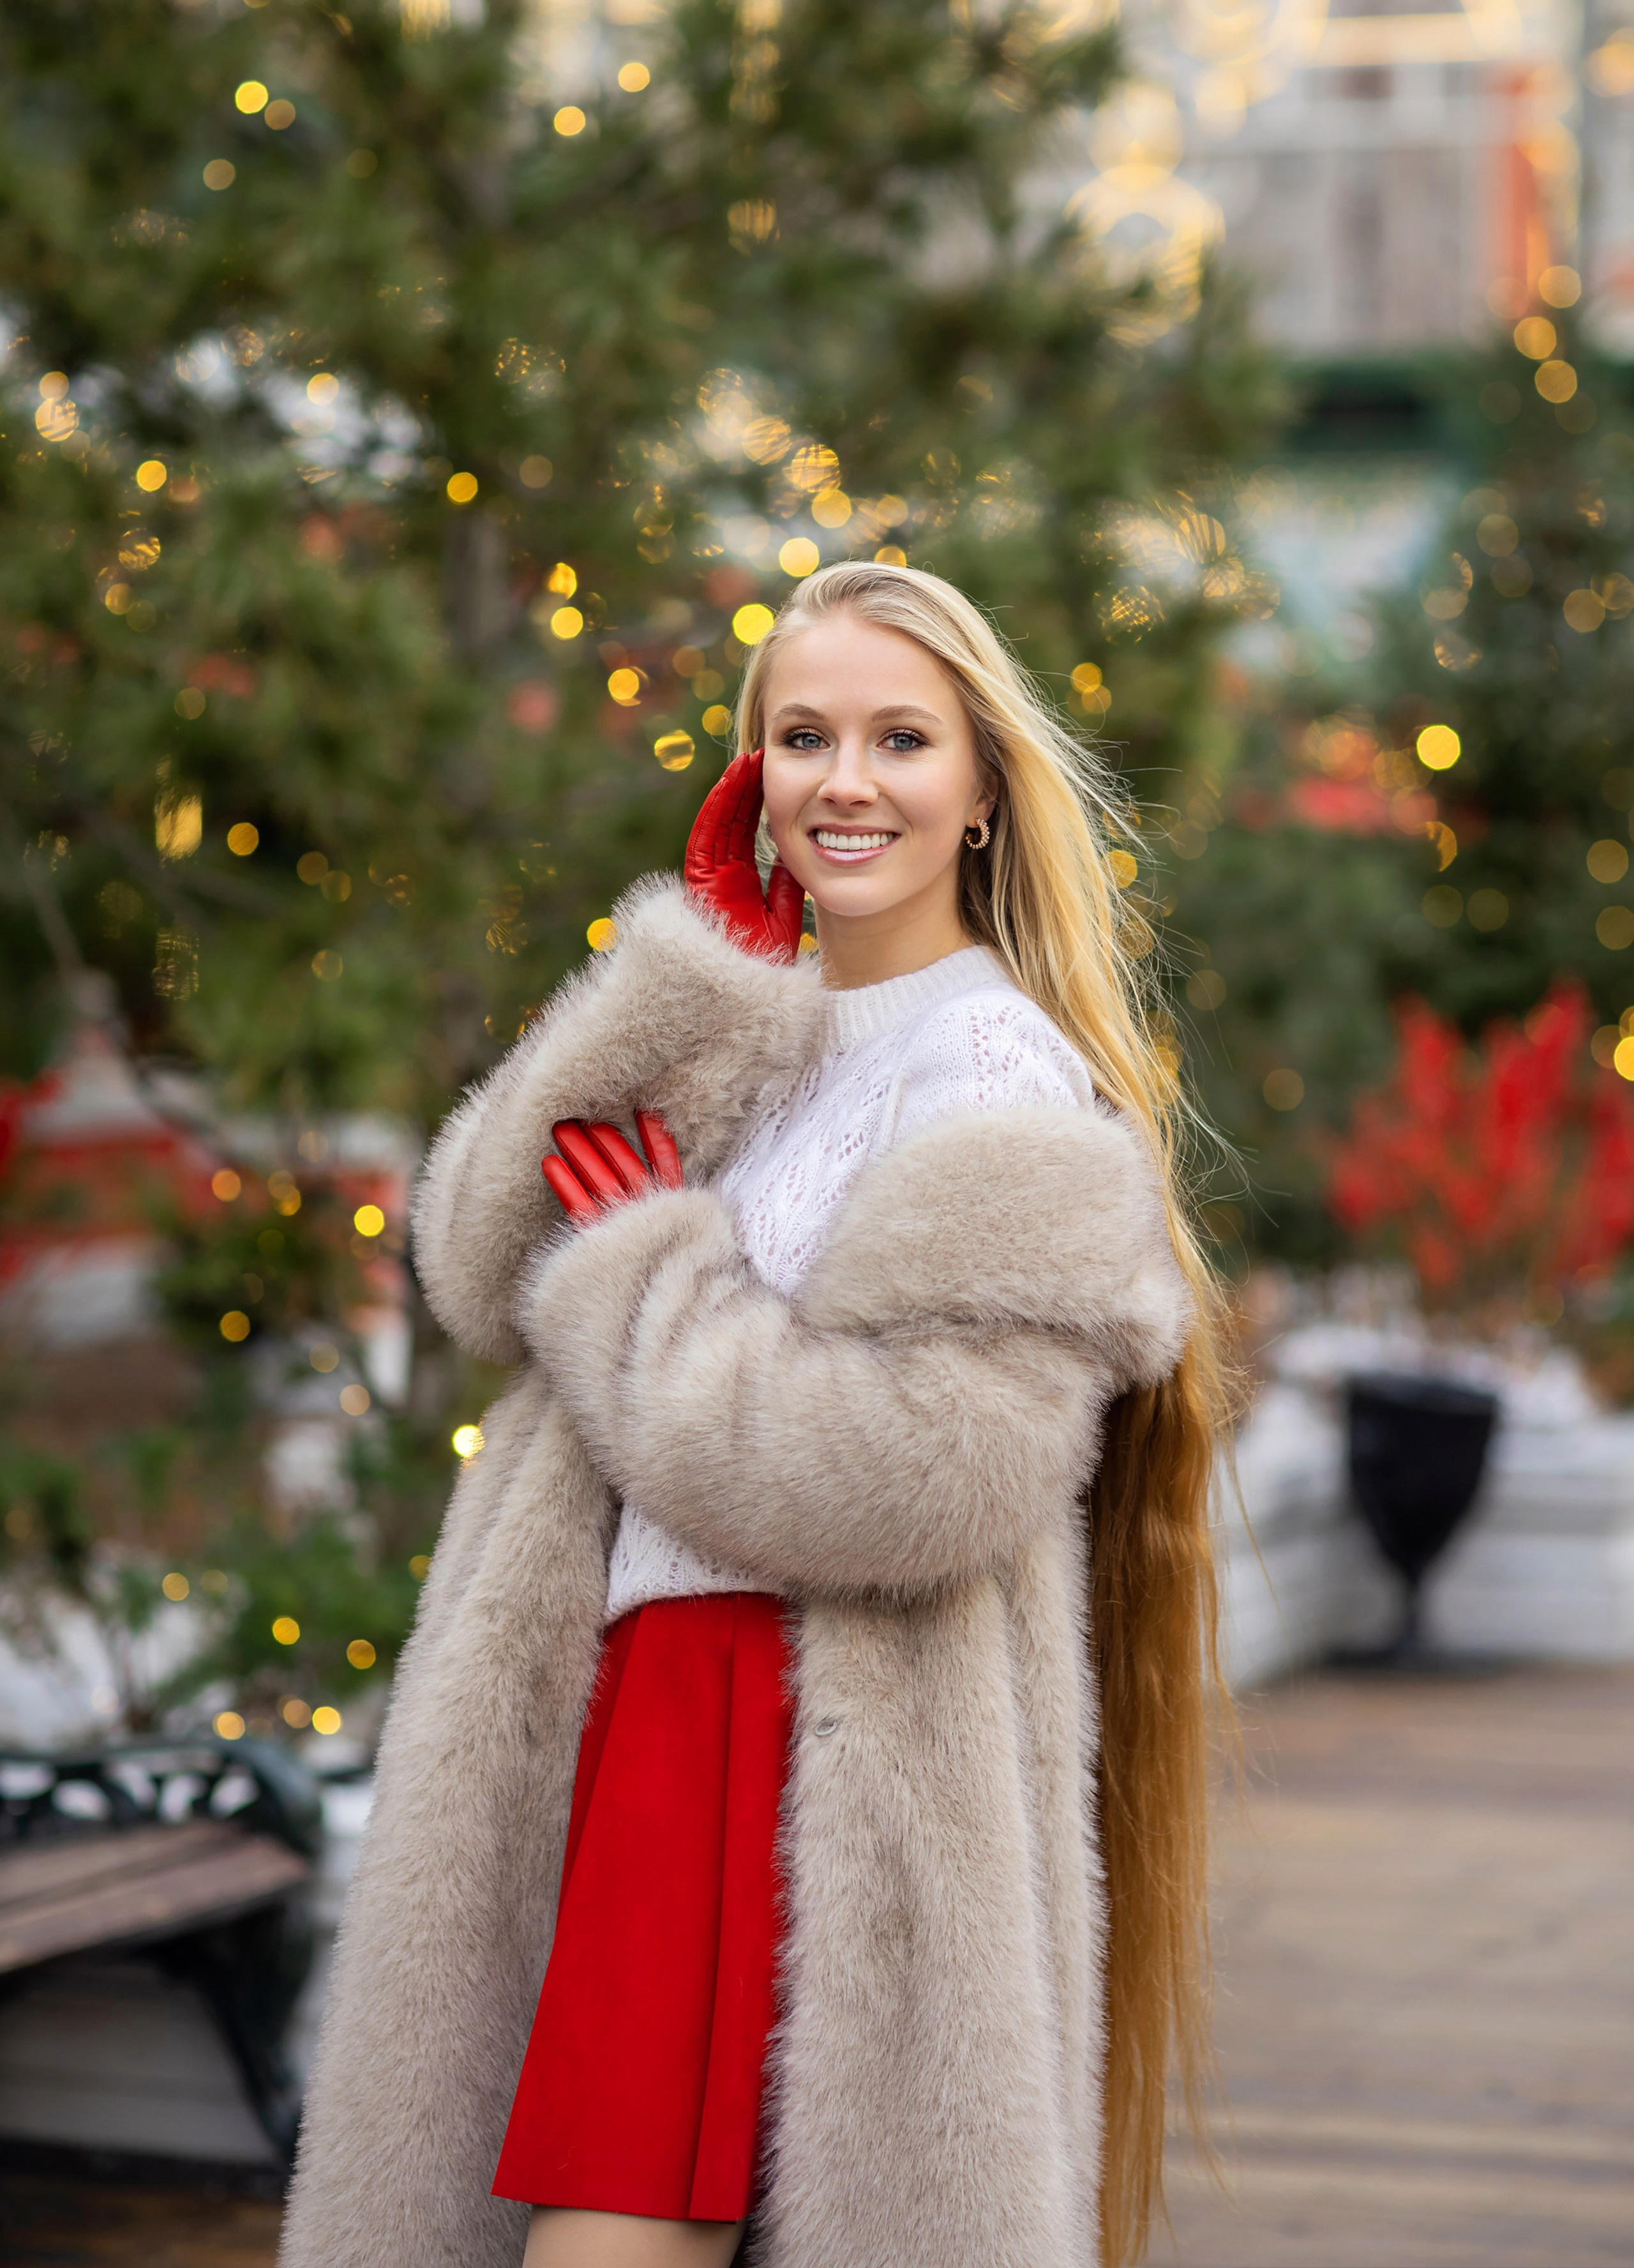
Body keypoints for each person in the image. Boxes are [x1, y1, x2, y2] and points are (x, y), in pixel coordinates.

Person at [279, 562, 1231, 2268]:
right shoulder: (754, 1039)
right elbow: (483, 1262)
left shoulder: (993, 1072)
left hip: (794, 1724)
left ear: (986, 791)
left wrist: (648, 1275)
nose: (844, 782)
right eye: (802, 738)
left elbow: (907, 1472)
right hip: (624, 1697)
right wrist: (693, 974)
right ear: (750, 777)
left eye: (899, 739)